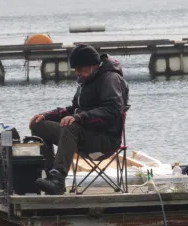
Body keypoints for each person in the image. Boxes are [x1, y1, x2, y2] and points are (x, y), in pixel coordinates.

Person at [29, 44, 129, 195]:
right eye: (75, 70)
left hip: (105, 139)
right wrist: (46, 115)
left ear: (91, 65)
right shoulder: (86, 80)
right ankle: (49, 175)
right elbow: (73, 109)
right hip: (82, 134)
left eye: (79, 69)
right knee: (38, 126)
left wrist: (79, 117)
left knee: (70, 126)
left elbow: (113, 110)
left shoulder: (110, 78)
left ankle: (58, 180)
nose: (77, 74)